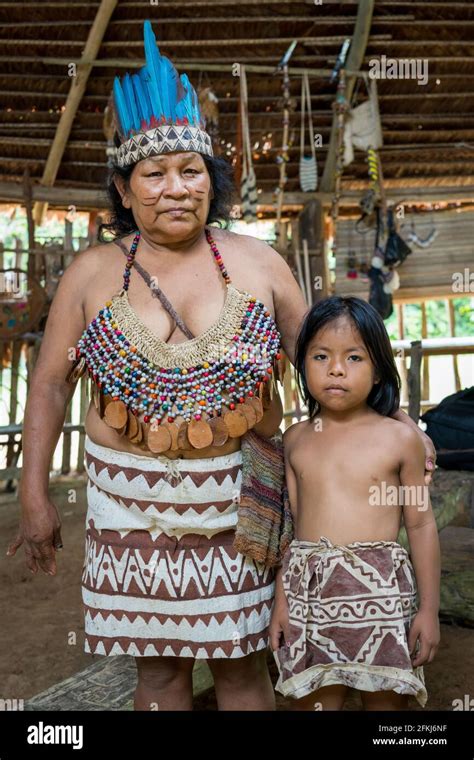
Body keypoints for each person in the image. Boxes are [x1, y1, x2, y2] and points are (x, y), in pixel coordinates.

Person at [6, 21, 436, 712]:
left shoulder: (259, 264)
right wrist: (34, 494)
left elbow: (330, 354)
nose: (175, 188)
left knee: (240, 667)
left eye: (191, 171)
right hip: (127, 506)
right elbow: (51, 382)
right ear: (123, 188)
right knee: (159, 676)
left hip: (238, 504)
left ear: (212, 179)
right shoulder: (90, 274)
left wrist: (398, 426)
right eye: (154, 174)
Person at [270, 296, 440, 711]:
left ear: (379, 368)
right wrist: (281, 601)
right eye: (321, 356)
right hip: (310, 598)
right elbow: (290, 529)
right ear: (303, 364)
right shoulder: (295, 440)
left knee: (385, 707)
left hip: (382, 600)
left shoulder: (399, 440)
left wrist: (430, 611)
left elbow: (420, 525)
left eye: (354, 357)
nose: (336, 369)